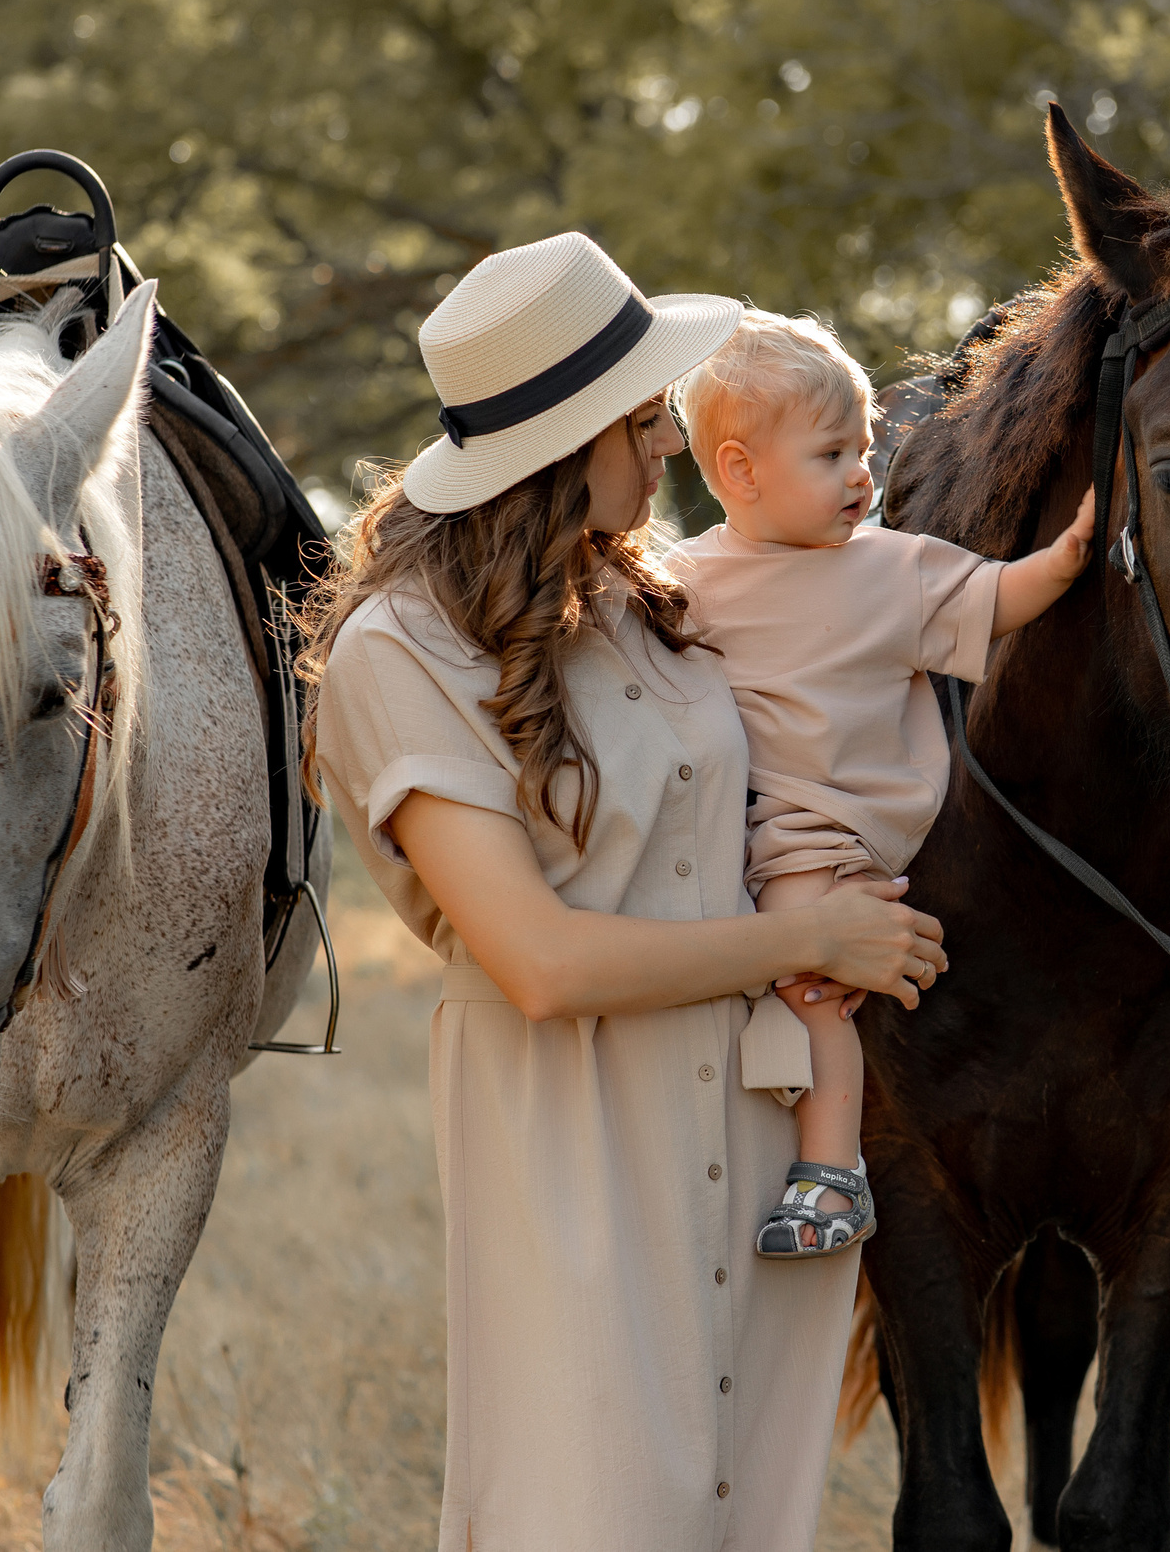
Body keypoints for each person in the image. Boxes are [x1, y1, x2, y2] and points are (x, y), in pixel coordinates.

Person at [302, 235, 950, 1550]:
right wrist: (814, 934)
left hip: (759, 1133)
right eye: (644, 413)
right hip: (576, 1138)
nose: (666, 439)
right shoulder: (399, 650)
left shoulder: (650, 598)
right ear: (565, 438)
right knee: (591, 1506)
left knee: (749, 1512)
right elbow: (540, 962)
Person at [663, 310, 1095, 1259]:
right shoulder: (685, 579)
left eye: (863, 449)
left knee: (811, 979)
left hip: (831, 831)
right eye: (832, 455)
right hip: (737, 828)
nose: (863, 473)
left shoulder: (892, 568)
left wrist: (1063, 560)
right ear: (740, 471)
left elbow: (992, 598)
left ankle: (833, 1172)